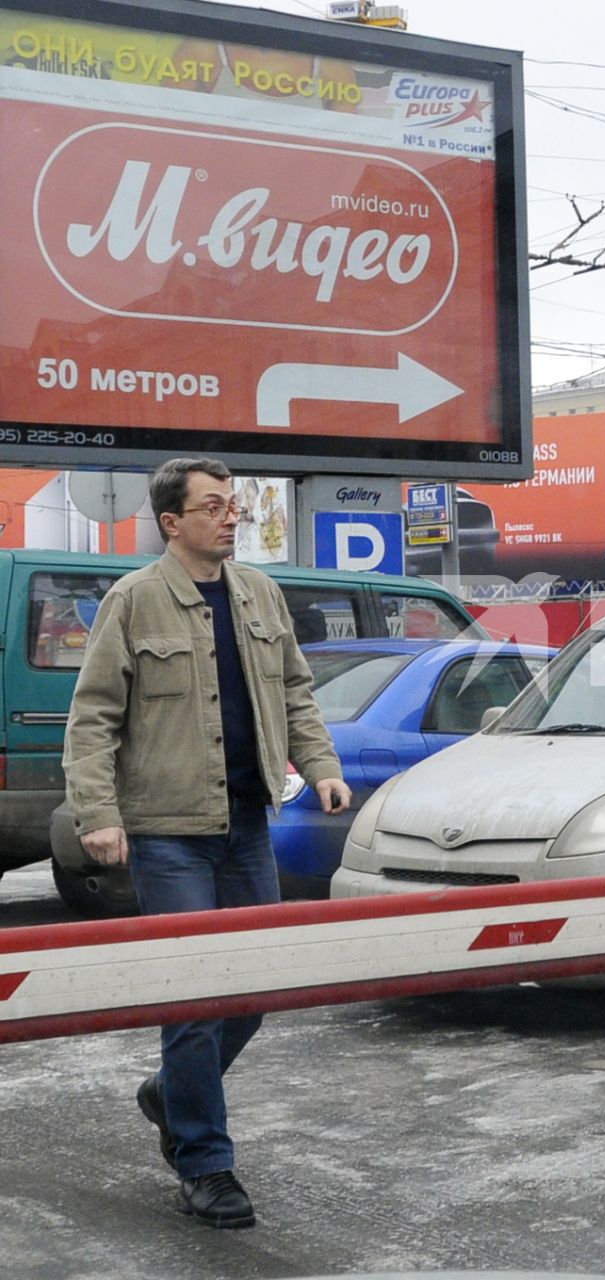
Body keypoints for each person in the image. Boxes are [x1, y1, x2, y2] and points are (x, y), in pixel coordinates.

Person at [63, 457, 352, 1230]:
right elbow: (92, 719)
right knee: (195, 1001)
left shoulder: (260, 594)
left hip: (249, 826)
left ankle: (169, 1092)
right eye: (216, 506)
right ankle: (205, 1164)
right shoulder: (133, 601)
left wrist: (319, 765)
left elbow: (294, 690)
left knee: (254, 994)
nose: (233, 518)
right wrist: (98, 812)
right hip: (167, 835)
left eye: (235, 506)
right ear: (172, 521)